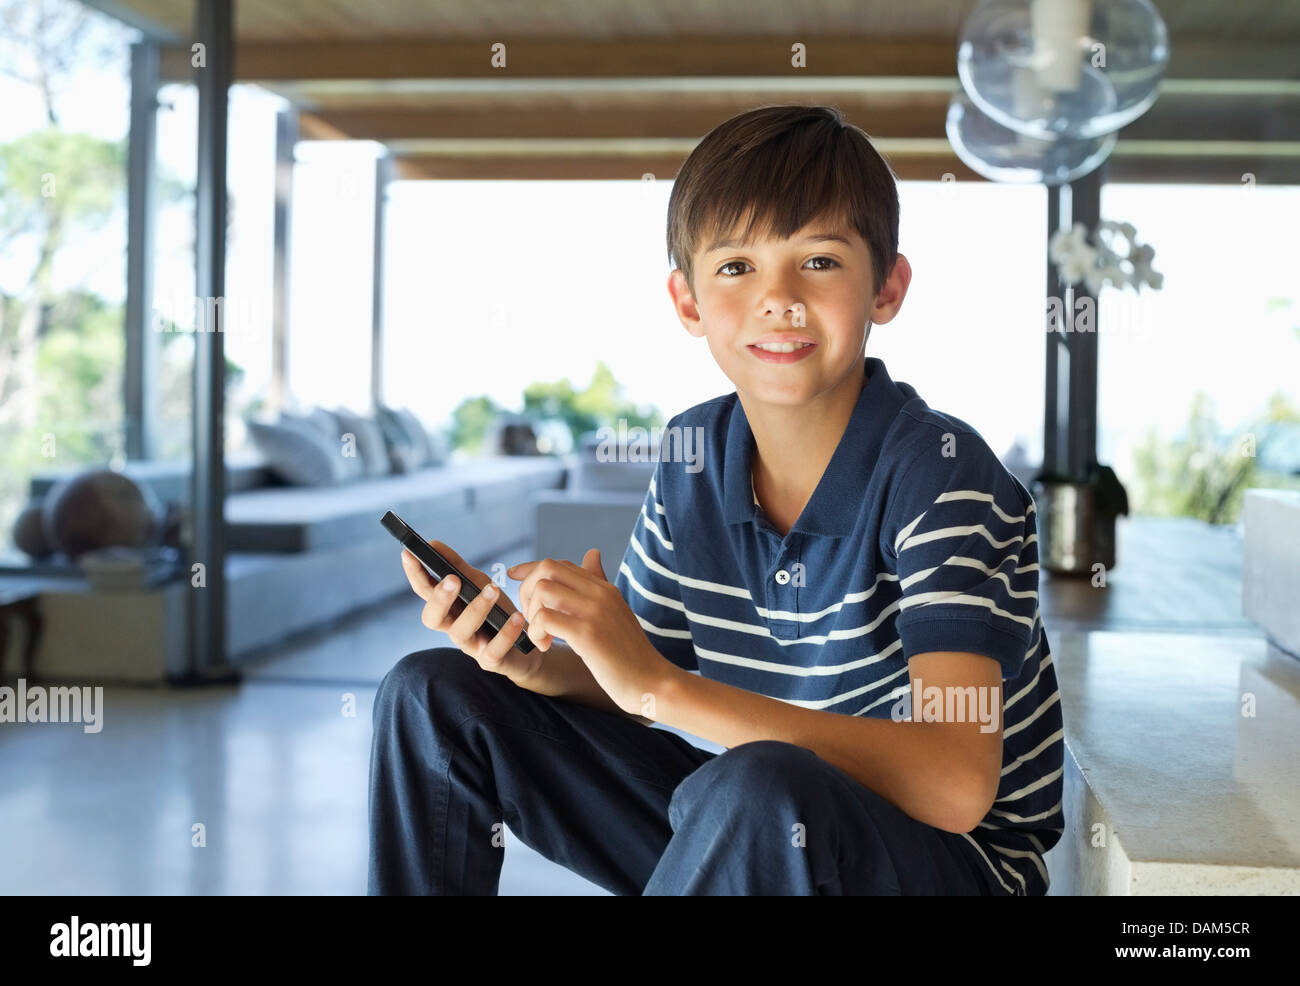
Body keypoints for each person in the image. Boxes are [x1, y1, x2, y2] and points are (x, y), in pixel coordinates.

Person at [367, 104, 1064, 896]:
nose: (778, 298)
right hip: (762, 832)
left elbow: (956, 784)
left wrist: (655, 687)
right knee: (435, 695)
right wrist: (542, 661)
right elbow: (642, 678)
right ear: (689, 302)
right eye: (737, 267)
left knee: (761, 785)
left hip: (941, 866)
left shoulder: (942, 473)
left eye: (821, 261)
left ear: (887, 287)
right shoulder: (693, 457)